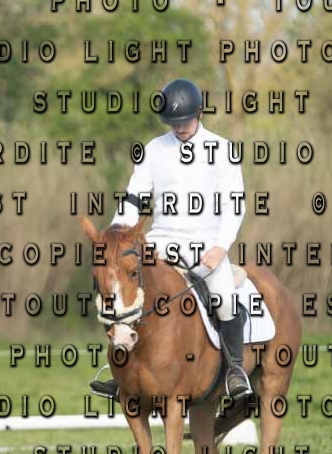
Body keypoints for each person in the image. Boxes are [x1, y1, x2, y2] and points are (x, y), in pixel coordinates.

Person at [90, 77, 252, 400]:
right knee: (126, 291)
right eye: (173, 122)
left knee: (223, 297)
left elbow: (235, 205)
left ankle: (235, 370)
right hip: (160, 241)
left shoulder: (222, 150)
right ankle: (122, 371)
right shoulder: (154, 149)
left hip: (206, 243)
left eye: (185, 121)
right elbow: (135, 197)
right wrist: (117, 231)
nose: (179, 127)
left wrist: (220, 248)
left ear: (199, 113)